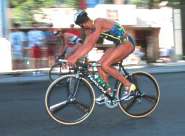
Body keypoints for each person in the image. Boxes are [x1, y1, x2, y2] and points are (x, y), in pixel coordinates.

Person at [67, 10, 136, 103]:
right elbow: (85, 45)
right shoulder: (90, 30)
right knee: (99, 65)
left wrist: (74, 57)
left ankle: (129, 85)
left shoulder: (98, 22)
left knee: (105, 65)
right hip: (119, 44)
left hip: (127, 42)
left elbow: (90, 44)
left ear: (83, 24)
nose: (82, 28)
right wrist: (74, 57)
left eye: (81, 26)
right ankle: (108, 92)